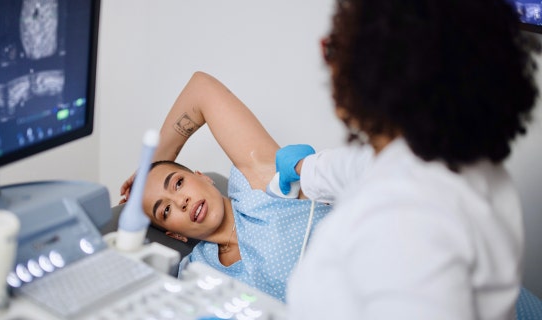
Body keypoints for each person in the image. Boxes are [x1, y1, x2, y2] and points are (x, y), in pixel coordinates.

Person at [274, 0, 541, 319]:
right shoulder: (466, 163)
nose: (328, 62)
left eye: (333, 48)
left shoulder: (405, 220)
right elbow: (359, 167)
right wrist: (305, 169)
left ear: (372, 71)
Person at [118, 71, 333, 302]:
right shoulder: (197, 272)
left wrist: (151, 163)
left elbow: (201, 89)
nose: (181, 202)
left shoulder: (257, 185)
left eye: (178, 183)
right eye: (166, 211)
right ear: (175, 235)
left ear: (203, 177)